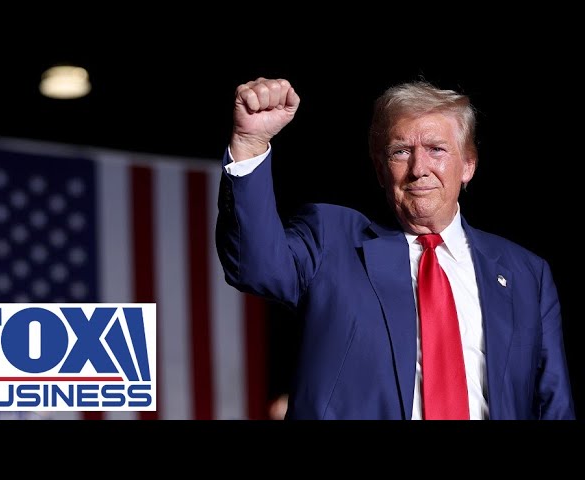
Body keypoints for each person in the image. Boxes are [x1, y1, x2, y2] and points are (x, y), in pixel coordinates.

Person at [215, 77, 575, 420]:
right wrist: (249, 143)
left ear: (468, 165)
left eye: (436, 149)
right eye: (401, 151)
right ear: (380, 169)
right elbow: (253, 265)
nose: (419, 169)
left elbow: (552, 403)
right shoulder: (332, 241)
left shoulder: (525, 273)